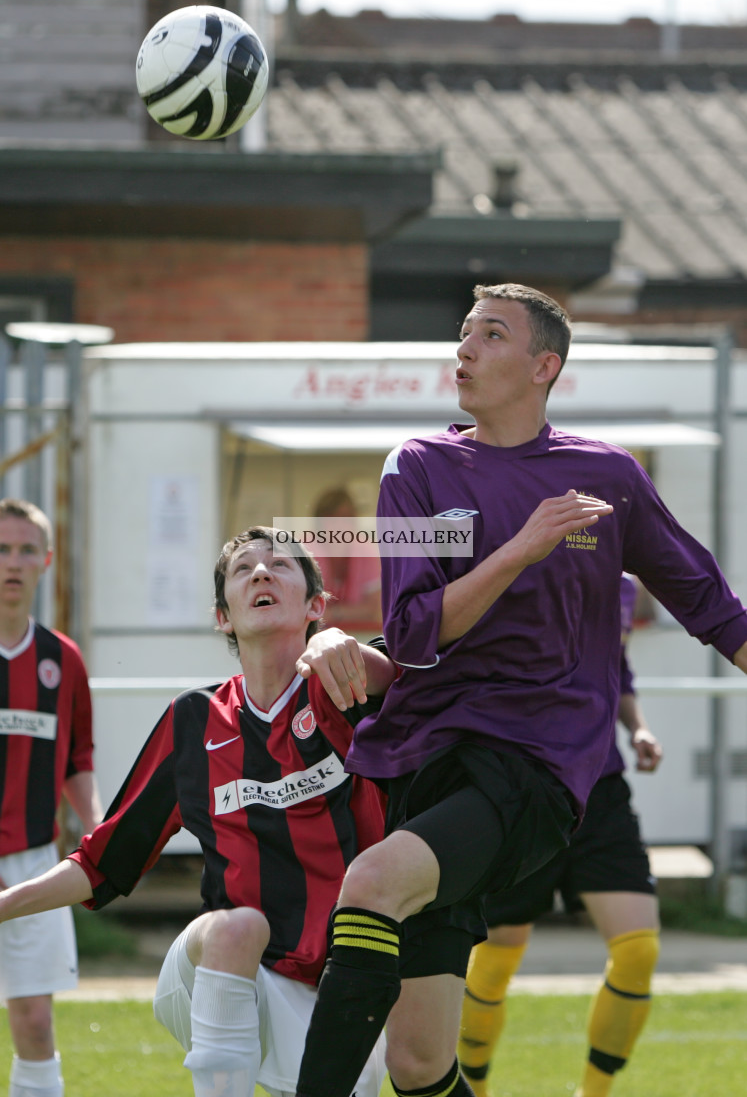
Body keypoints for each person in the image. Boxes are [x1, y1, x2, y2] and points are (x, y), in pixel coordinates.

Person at [293, 283, 747, 1097]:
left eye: (490, 336)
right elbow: (414, 631)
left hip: (536, 764)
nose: (463, 349)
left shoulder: (604, 477)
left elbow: (714, 609)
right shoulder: (416, 466)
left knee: (369, 884)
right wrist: (518, 550)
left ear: (544, 366)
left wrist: (532, 542)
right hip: (420, 762)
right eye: (461, 334)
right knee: (419, 1063)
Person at [0, 525, 397, 1097]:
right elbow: (99, 863)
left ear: (314, 604)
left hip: (338, 987)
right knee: (240, 925)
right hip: (218, 972)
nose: (261, 572)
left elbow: (419, 670)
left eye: (280, 565)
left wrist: (347, 644)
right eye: (243, 569)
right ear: (223, 618)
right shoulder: (193, 720)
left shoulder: (348, 693)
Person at [458, 573, 663, 1097]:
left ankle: (592, 1093)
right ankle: (474, 1090)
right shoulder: (508, 567)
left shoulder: (621, 584)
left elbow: (615, 670)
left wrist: (636, 725)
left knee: (639, 949)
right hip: (523, 785)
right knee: (499, 950)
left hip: (601, 787)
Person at [0, 497, 103, 1097]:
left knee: (35, 1024)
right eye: (2, 549)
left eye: (24, 550)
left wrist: (95, 826)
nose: (12, 563)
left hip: (34, 864)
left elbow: (77, 759)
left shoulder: (62, 660)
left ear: (46, 560)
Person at [311, 486, 382, 635]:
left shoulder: (366, 551)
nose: (339, 525)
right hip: (312, 635)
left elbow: (373, 609)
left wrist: (333, 613)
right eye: (332, 519)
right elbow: (300, 607)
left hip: (359, 635)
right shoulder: (304, 553)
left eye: (345, 518)